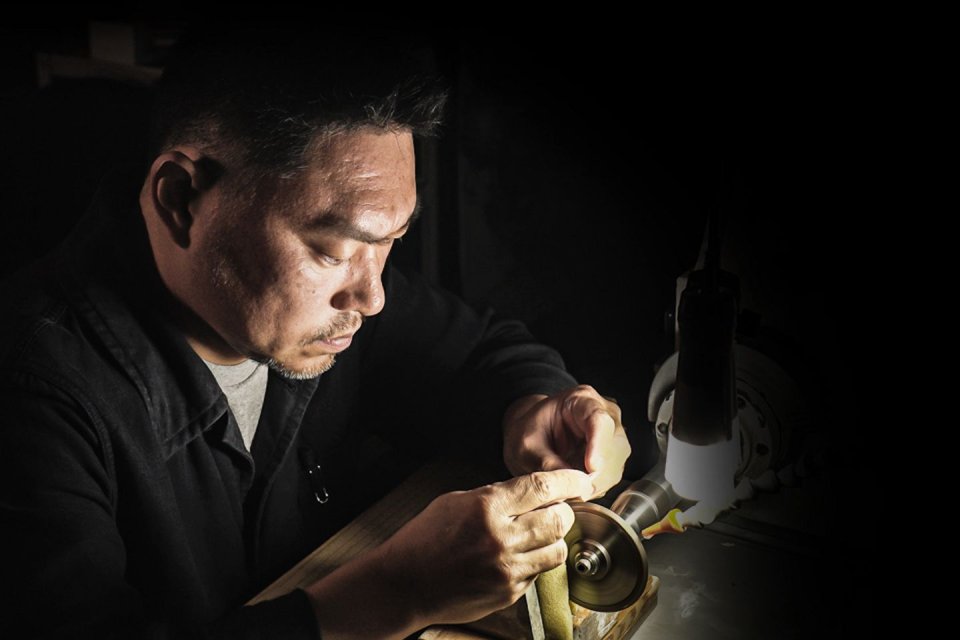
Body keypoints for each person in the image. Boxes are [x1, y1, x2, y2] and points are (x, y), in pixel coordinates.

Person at [0, 26, 631, 639]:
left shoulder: (324, 302)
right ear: (180, 196)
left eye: (391, 241)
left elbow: (484, 352)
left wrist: (534, 407)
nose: (372, 297)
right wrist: (396, 594)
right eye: (331, 249)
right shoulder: (35, 393)